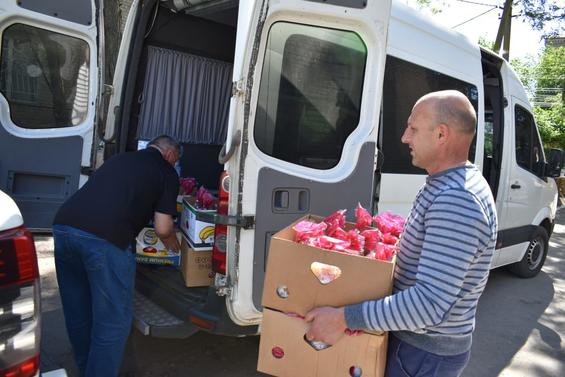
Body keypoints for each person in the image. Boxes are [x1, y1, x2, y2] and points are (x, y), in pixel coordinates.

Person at [304, 90, 498, 377]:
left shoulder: (457, 199)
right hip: (418, 349)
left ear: (441, 135)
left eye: (414, 128)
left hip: (422, 355)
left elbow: (429, 305)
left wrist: (344, 318)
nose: (405, 137)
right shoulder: (445, 184)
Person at [52, 135, 181, 377]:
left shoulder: (120, 158)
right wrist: (175, 245)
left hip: (64, 227)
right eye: (176, 161)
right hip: (106, 239)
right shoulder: (166, 171)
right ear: (170, 155)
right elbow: (163, 228)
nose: (175, 165)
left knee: (78, 311)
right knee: (112, 321)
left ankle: (86, 369)